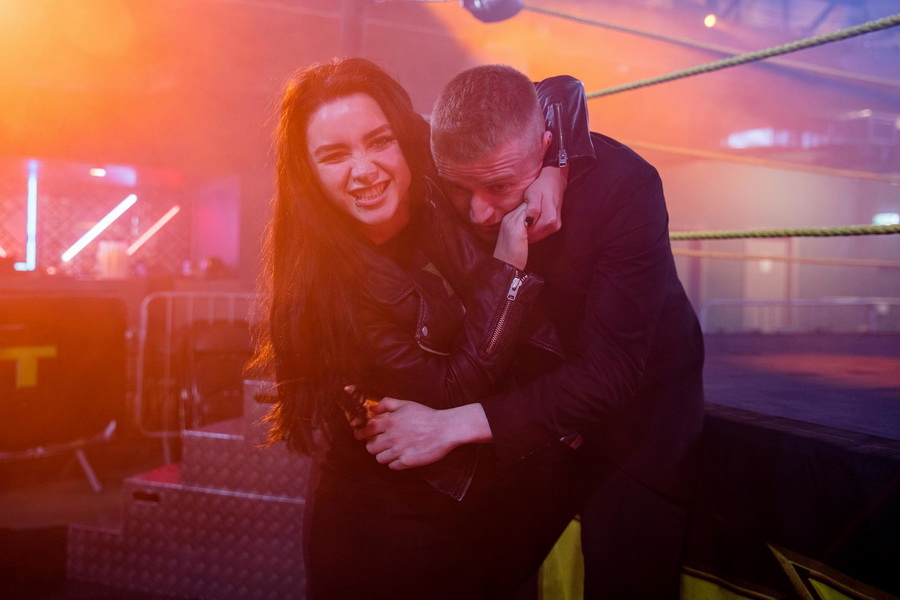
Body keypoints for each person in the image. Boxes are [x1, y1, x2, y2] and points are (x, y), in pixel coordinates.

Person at [358, 64, 706, 599]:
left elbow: (610, 374)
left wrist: (448, 426)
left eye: (499, 186)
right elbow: (552, 93)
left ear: (544, 147)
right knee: (474, 571)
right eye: (458, 188)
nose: (479, 212)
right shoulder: (447, 159)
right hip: (530, 401)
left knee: (627, 580)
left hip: (639, 415)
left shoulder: (625, 186)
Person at [251, 57, 592, 599]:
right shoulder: (327, 294)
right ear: (308, 176)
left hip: (477, 515)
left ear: (405, 136)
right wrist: (506, 271)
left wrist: (555, 168)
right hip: (384, 537)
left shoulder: (429, 167)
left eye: (378, 142)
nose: (364, 170)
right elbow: (450, 393)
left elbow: (560, 92)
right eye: (334, 156)